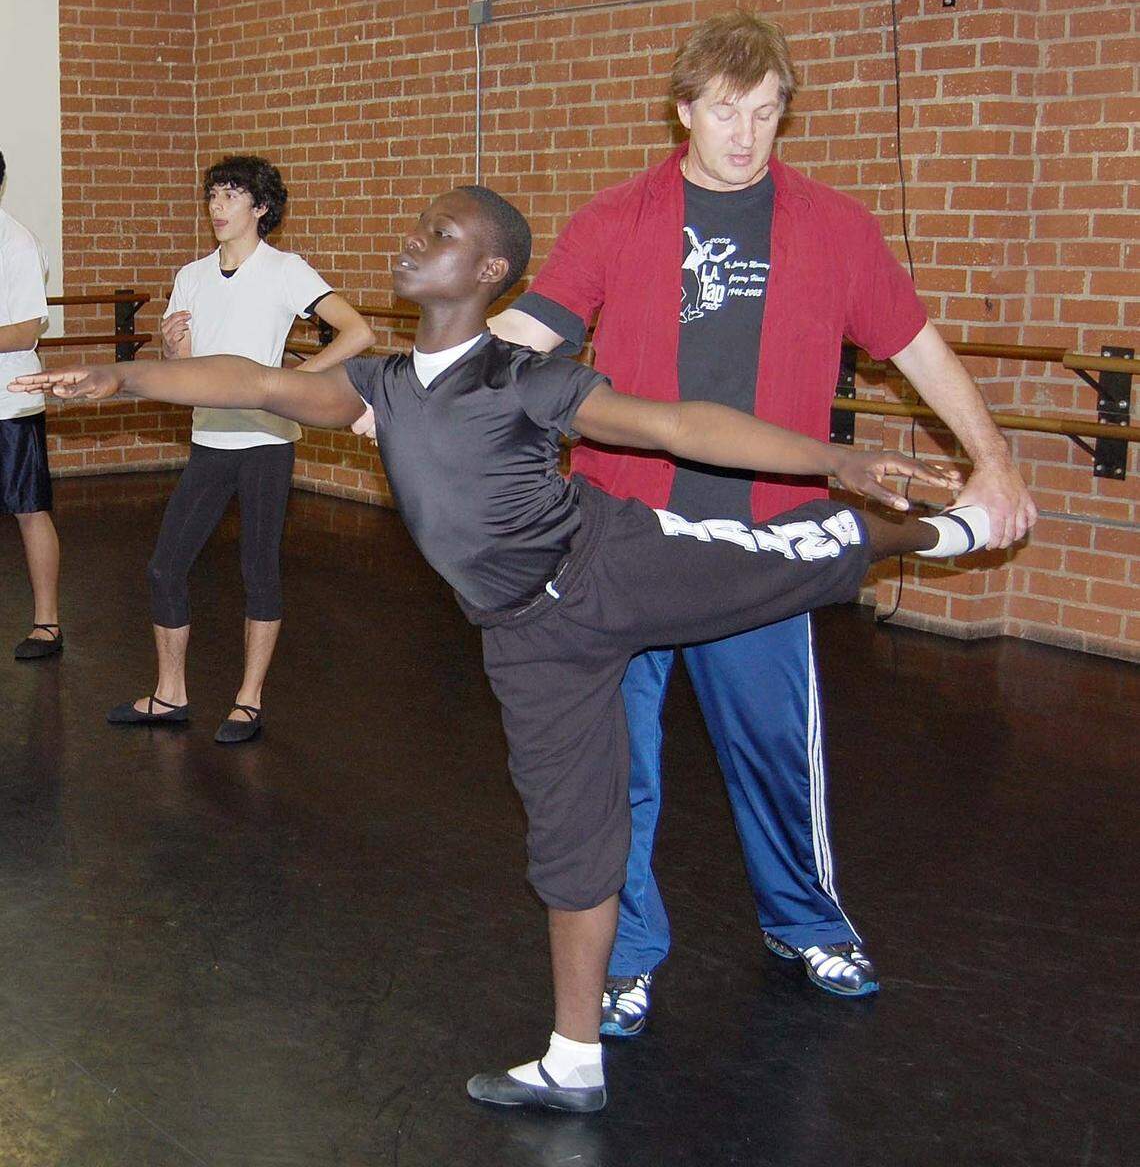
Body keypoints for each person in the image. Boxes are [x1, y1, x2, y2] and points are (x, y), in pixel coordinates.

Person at [14, 185, 1000, 1113]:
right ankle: (575, 1061)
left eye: (440, 234)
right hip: (527, 640)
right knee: (572, 838)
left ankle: (944, 530)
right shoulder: (381, 388)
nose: (414, 241)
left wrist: (840, 457)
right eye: (419, 227)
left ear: (491, 272)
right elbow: (256, 381)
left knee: (788, 552)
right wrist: (126, 375)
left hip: (611, 568)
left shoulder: (523, 378)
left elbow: (673, 424)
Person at [490, 11, 1038, 1025]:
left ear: (786, 112)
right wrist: (423, 388)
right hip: (627, 542)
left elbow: (915, 346)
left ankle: (809, 921)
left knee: (779, 755)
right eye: (725, 111)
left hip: (764, 547)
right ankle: (627, 954)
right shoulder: (616, 219)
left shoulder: (835, 226)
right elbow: (525, 335)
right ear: (684, 110)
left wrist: (993, 458)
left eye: (767, 110)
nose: (744, 134)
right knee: (621, 767)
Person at [108, 155, 375, 742]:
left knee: (259, 569)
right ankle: (169, 694)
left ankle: (248, 699)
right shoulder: (192, 276)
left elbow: (359, 332)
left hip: (265, 441)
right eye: (213, 195)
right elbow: (187, 373)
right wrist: (175, 352)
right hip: (210, 440)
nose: (218, 207)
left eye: (232, 196)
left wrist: (296, 382)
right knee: (164, 567)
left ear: (260, 209)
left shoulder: (286, 270)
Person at [0, 149, 63, 661]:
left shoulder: (16, 243)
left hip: (10, 404)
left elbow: (25, 329)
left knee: (28, 508)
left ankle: (47, 623)